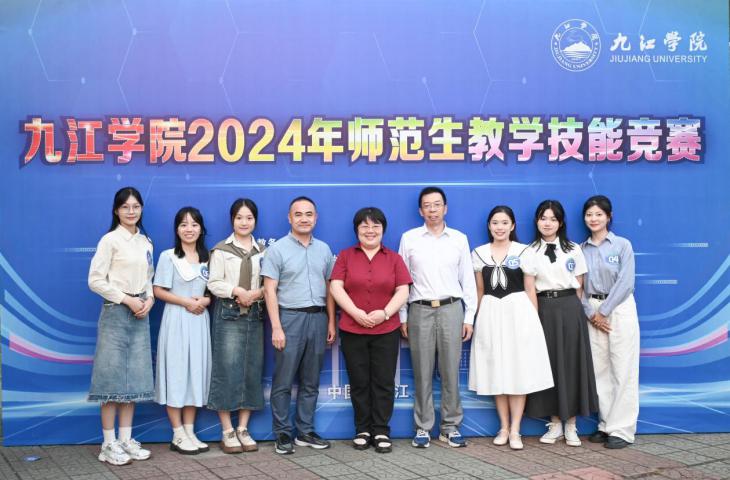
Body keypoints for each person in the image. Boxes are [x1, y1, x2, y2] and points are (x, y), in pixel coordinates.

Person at [468, 205, 553, 450]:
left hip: (519, 313)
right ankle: (503, 427)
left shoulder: (523, 251)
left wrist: (533, 322)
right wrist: (475, 319)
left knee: (518, 370)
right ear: (489, 226)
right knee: (496, 370)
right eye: (495, 222)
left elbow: (530, 289)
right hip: (490, 313)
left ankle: (516, 429)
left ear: (512, 225)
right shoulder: (479, 253)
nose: (500, 227)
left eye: (505, 223)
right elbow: (479, 290)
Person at [398, 187, 477, 449]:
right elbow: (402, 281)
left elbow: (467, 280)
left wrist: (469, 317)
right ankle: (422, 427)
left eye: (437, 204)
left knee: (450, 371)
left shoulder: (459, 239)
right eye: (427, 205)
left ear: (445, 208)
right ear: (420, 211)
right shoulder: (409, 238)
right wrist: (403, 316)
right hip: (419, 309)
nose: (432, 210)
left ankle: (450, 427)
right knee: (421, 371)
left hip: (451, 308)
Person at [330, 207, 412, 453]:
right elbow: (336, 287)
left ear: (383, 230)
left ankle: (381, 430)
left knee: (384, 381)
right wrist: (355, 313)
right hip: (352, 329)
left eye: (376, 226)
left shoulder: (394, 259)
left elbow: (403, 290)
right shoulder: (346, 256)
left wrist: (385, 313)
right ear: (357, 230)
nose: (370, 230)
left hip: (386, 329)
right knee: (359, 381)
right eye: (364, 226)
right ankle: (363, 430)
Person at [262, 196, 336, 455]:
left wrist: (331, 321)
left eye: (309, 214)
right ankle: (282, 433)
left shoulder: (324, 250)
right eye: (298, 214)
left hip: (318, 318)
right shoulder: (277, 250)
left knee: (311, 380)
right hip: (289, 318)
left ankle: (305, 431)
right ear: (289, 218)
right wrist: (276, 327)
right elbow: (269, 290)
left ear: (316, 218)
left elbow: (329, 288)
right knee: (283, 380)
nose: (304, 219)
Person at [87, 187, 155, 465]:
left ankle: (126, 440)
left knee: (133, 380)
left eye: (136, 206)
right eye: (125, 207)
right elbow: (95, 280)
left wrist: (149, 299)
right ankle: (108, 444)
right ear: (116, 210)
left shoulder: (146, 241)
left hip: (140, 313)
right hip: (116, 312)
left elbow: (149, 278)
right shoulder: (110, 240)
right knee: (112, 380)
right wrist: (127, 299)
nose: (131, 211)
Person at [525, 200, 599, 447]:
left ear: (560, 222)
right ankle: (555, 423)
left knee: (571, 364)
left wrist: (572, 311)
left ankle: (571, 425)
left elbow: (580, 284)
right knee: (549, 365)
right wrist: (536, 317)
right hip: (544, 309)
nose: (547, 223)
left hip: (570, 308)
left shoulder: (573, 249)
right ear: (536, 221)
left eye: (553, 219)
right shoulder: (530, 251)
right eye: (543, 218)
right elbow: (530, 288)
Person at [207, 199, 266, 454]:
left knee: (251, 370)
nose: (244, 222)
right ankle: (227, 430)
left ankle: (242, 428)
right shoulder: (221, 250)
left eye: (249, 218)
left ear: (255, 221)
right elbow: (213, 283)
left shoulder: (263, 251)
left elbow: (269, 284)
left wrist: (256, 294)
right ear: (232, 220)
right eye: (239, 217)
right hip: (229, 313)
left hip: (255, 312)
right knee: (226, 369)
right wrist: (236, 291)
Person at [581, 195, 639, 449]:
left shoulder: (622, 245)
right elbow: (577, 286)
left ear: (609, 216)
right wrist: (590, 312)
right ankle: (606, 424)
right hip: (592, 310)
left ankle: (622, 430)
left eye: (598, 214)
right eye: (589, 214)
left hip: (618, 307)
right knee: (599, 370)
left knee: (623, 367)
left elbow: (626, 282)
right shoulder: (580, 249)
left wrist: (603, 311)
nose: (593, 219)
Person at [153, 207, 212, 455]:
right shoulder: (169, 257)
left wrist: (205, 300)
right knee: (177, 374)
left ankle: (189, 431)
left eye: (194, 224)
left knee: (194, 375)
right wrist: (186, 302)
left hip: (199, 322)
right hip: (177, 319)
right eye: (184, 224)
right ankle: (177, 433)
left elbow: (212, 291)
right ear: (177, 230)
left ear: (201, 229)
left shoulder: (208, 258)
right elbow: (158, 290)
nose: (189, 229)